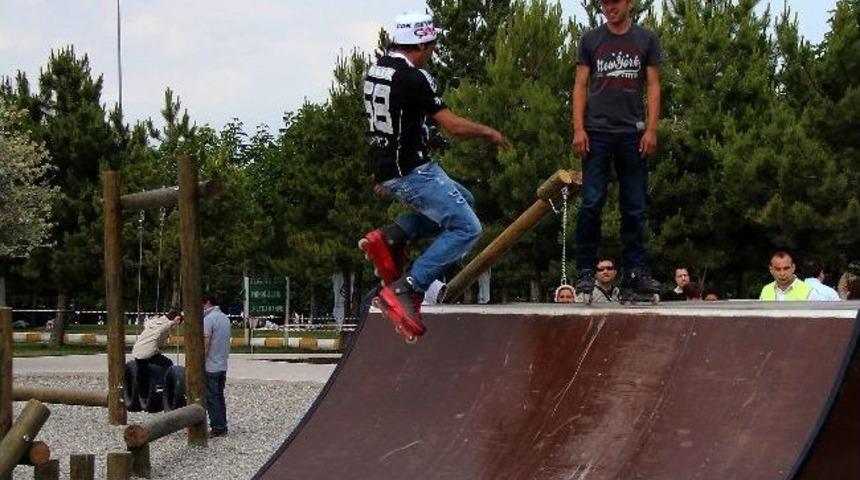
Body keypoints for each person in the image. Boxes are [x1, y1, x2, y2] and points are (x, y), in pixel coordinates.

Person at [359, 12, 511, 331]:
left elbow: (381, 125)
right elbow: (452, 125)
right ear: (422, 45)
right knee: (467, 227)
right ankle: (408, 287)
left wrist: (382, 172)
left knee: (465, 201)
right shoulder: (413, 78)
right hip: (414, 170)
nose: (432, 52)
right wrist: (489, 133)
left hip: (388, 166)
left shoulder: (377, 69)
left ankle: (393, 235)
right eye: (431, 45)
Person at [571, 0, 663, 300]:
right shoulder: (590, 40)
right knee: (591, 203)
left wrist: (651, 129)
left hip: (631, 132)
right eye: (604, 3)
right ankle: (586, 270)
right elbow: (580, 85)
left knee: (634, 206)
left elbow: (653, 85)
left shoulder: (645, 38)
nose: (609, 8)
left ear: (629, 3)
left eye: (615, 2)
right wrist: (579, 128)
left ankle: (635, 272)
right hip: (596, 132)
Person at [203, 292, 230, 437]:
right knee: (219, 397)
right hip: (222, 364)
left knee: (212, 399)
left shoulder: (208, 319)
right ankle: (222, 425)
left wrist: (199, 361)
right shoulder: (224, 318)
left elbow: (206, 343)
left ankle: (218, 427)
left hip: (210, 365)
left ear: (207, 302)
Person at [131, 310, 182, 387]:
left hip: (138, 350)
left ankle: (141, 391)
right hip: (147, 352)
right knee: (167, 363)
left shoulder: (156, 321)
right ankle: (160, 384)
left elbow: (148, 324)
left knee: (142, 373)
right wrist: (172, 322)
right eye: (177, 325)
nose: (175, 327)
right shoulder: (163, 324)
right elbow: (161, 328)